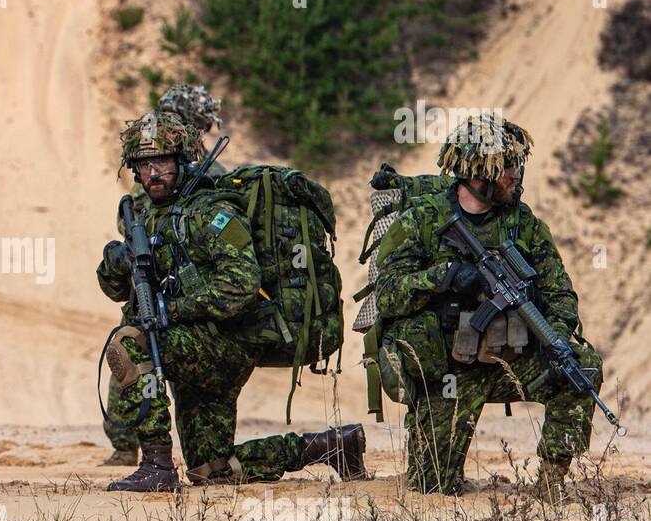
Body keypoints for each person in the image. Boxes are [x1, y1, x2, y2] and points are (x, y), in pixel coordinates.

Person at [96, 112, 366, 492]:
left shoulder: (211, 212)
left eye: (162, 163)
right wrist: (116, 262)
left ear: (181, 161)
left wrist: (173, 309)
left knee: (130, 343)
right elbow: (115, 290)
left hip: (224, 346)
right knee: (213, 470)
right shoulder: (145, 217)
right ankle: (331, 447)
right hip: (192, 347)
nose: (153, 173)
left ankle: (156, 464)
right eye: (143, 165)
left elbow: (241, 283)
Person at [372, 113, 602, 500]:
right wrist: (444, 277)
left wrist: (556, 338)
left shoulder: (522, 224)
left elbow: (561, 294)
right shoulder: (423, 221)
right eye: (508, 168)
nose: (517, 176)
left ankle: (550, 485)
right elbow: (389, 294)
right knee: (431, 488)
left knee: (582, 366)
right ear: (481, 172)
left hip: (510, 361)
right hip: (448, 372)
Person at [101, 84, 228, 467]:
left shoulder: (199, 174)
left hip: (188, 306)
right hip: (165, 293)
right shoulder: (195, 169)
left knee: (134, 346)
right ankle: (144, 451)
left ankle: (128, 445)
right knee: (134, 344)